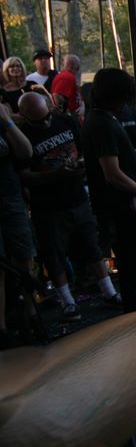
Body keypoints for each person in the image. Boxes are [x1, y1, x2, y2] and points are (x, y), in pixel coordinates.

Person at [17, 92, 121, 322]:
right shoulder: (23, 136)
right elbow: (24, 175)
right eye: (38, 121)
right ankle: (68, 301)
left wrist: (80, 163)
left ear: (49, 107)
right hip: (47, 205)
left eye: (47, 117)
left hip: (76, 196)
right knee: (54, 253)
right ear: (24, 116)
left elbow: (82, 149)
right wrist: (53, 174)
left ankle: (108, 291)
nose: (45, 123)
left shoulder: (65, 121)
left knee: (92, 245)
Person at [81, 68, 136, 313]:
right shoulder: (102, 124)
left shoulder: (102, 120)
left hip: (127, 208)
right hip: (124, 210)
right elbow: (113, 174)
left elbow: (120, 156)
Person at [0, 98, 37, 348]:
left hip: (11, 198)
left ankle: (31, 315)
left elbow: (26, 152)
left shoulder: (3, 117)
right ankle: (2, 329)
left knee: (24, 258)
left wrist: (6, 121)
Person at [50, 54, 85, 119]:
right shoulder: (66, 77)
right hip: (70, 120)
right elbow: (56, 96)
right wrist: (68, 116)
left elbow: (77, 96)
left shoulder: (69, 76)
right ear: (77, 67)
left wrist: (82, 106)